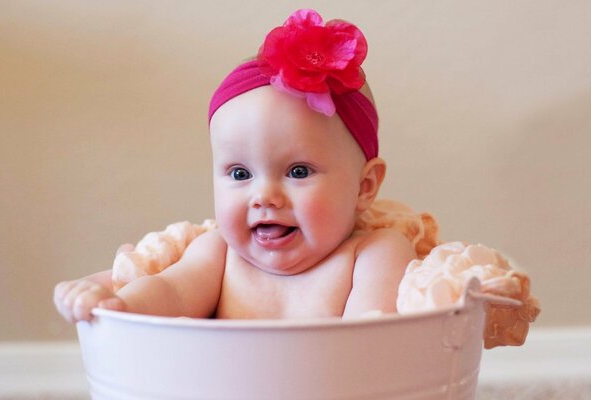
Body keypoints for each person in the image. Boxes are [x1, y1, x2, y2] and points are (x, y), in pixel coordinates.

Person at [54, 9, 419, 323]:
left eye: (298, 172)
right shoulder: (219, 253)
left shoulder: (374, 253)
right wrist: (119, 304)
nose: (264, 196)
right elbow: (170, 292)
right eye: (240, 174)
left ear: (365, 186)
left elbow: (370, 343)